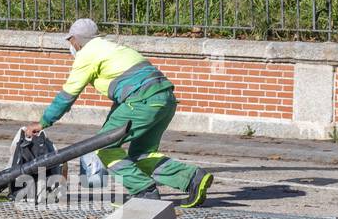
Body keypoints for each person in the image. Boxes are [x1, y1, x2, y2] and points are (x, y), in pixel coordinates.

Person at [25, 19, 214, 206]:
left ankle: (144, 191)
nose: (70, 46)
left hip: (142, 101)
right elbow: (122, 99)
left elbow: (67, 95)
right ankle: (192, 178)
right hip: (165, 99)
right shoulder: (115, 48)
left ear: (75, 40)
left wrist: (43, 122)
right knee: (142, 154)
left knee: (104, 148)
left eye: (70, 41)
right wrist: (109, 128)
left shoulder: (87, 54)